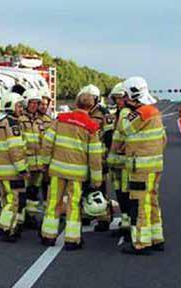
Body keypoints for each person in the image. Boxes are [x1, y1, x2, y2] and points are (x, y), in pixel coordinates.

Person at [39, 92, 104, 250]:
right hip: (77, 174)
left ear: (76, 103)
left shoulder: (61, 119)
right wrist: (96, 178)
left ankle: (48, 236)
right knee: (73, 205)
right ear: (91, 106)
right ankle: (72, 240)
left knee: (54, 202)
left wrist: (45, 163)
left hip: (57, 169)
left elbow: (48, 142)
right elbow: (95, 156)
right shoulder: (91, 126)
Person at [118, 76, 167, 255]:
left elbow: (124, 128)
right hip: (155, 165)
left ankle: (140, 242)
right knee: (152, 201)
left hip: (140, 167)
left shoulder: (140, 113)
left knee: (140, 204)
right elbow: (164, 139)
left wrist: (125, 110)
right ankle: (156, 237)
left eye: (125, 95)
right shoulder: (155, 112)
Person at [0, 92, 30, 241]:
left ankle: (12, 227)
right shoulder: (12, 123)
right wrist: (22, 168)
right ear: (10, 105)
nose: (21, 109)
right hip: (12, 170)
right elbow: (15, 149)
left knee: (6, 200)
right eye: (19, 105)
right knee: (14, 201)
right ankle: (5, 228)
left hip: (1, 170)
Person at [82, 84, 115, 231]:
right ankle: (87, 213)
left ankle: (104, 217)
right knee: (84, 187)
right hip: (83, 157)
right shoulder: (81, 111)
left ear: (96, 99)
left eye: (90, 98)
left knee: (100, 189)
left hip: (99, 157)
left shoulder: (103, 113)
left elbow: (109, 137)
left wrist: (107, 157)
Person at [107, 82, 133, 238]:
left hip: (124, 162)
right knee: (120, 192)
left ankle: (129, 223)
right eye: (116, 99)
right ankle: (125, 222)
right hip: (117, 161)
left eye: (120, 98)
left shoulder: (127, 114)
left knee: (125, 192)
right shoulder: (119, 113)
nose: (118, 102)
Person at [19, 89, 44, 227]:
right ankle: (21, 218)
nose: (34, 105)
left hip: (38, 164)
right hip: (27, 163)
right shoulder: (20, 120)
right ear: (25, 103)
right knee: (24, 191)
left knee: (34, 192)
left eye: (36, 103)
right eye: (32, 102)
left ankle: (31, 216)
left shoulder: (39, 122)